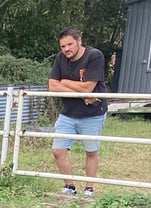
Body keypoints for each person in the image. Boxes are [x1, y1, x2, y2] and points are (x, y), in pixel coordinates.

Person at [48, 27, 108, 197]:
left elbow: (88, 87)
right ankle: (69, 187)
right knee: (58, 150)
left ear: (79, 41)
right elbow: (52, 86)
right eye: (63, 46)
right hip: (68, 113)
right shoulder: (60, 58)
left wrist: (65, 82)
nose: (66, 49)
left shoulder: (94, 55)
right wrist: (81, 95)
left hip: (92, 113)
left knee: (91, 151)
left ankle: (89, 188)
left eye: (69, 44)